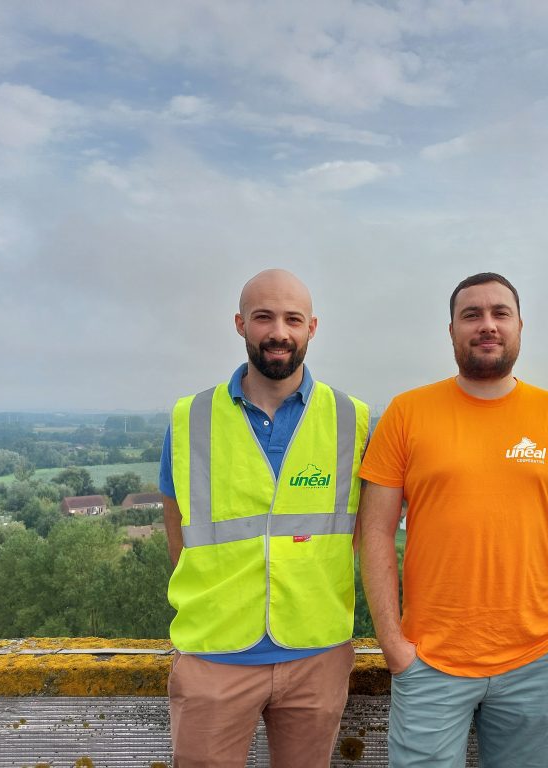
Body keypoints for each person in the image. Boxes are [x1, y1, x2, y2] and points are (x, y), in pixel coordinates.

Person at [358, 272, 548, 768]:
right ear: (450, 330)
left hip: (535, 661)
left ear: (519, 326)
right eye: (472, 314)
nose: (487, 325)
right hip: (428, 662)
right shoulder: (406, 413)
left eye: (500, 313)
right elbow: (375, 531)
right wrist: (393, 643)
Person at [159, 269, 370, 768]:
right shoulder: (190, 418)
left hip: (317, 653)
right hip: (214, 655)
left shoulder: (353, 418)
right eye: (263, 317)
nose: (279, 331)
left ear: (312, 328)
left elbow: (361, 532)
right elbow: (178, 535)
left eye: (293, 318)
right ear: (240, 324)